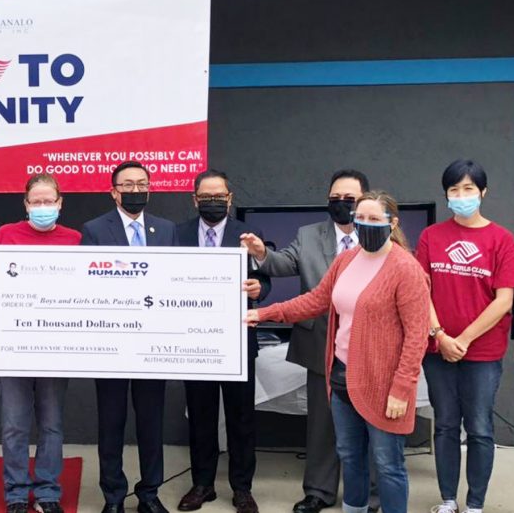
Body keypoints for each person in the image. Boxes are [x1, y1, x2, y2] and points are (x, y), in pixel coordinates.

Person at [246, 190, 430, 513]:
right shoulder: (345, 260)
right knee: (350, 456)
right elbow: (314, 301)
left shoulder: (406, 268)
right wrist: (263, 313)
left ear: (393, 223)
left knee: (388, 465)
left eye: (375, 219)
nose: (366, 224)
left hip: (383, 386)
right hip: (342, 379)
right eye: (361, 218)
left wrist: (402, 389)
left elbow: (417, 337)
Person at [242, 169, 370, 513]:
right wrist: (260, 254)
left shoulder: (378, 235)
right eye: (335, 198)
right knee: (322, 423)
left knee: (371, 424)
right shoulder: (309, 234)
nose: (341, 204)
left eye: (349, 199)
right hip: (321, 344)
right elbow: (283, 263)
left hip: (369, 347)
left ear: (365, 202)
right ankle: (319, 491)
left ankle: (370, 494)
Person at [417, 160, 514, 513]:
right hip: (438, 351)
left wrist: (462, 339)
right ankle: (449, 499)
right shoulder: (431, 236)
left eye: (468, 189)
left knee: (480, 428)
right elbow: (422, 291)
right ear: (446, 195)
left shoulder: (501, 239)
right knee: (446, 425)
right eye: (454, 190)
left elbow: (504, 300)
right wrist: (440, 336)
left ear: (483, 192)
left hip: (483, 354)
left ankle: (475, 504)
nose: (461, 196)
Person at [0, 173, 82, 513]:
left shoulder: (76, 239)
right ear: (26, 205)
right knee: (14, 426)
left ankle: (48, 492)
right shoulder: (6, 234)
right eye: (36, 202)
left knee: (51, 424)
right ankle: (17, 494)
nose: (43, 207)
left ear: (60, 203)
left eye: (49, 201)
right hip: (13, 348)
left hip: (56, 347)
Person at [81, 160, 179, 513]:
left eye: (142, 184)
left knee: (151, 422)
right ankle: (113, 496)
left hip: (153, 343)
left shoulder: (165, 230)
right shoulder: (93, 230)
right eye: (128, 185)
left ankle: (149, 494)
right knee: (111, 423)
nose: (136, 190)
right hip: (112, 343)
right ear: (113, 192)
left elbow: (176, 279)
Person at [175, 169, 270, 513]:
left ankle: (242, 488)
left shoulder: (248, 232)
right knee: (200, 416)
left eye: (220, 196)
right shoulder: (179, 233)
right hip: (195, 340)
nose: (213, 202)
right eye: (206, 197)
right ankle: (202, 485)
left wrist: (260, 289)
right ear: (194, 199)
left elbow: (265, 277)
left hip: (237, 339)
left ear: (230, 199)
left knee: (241, 417)